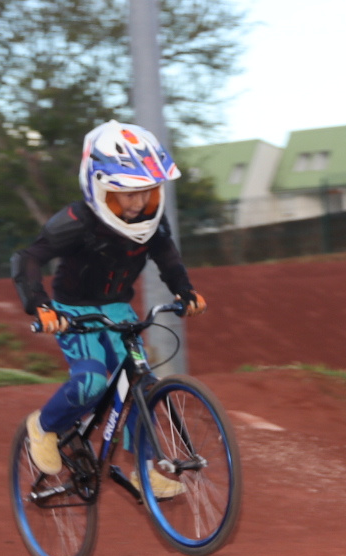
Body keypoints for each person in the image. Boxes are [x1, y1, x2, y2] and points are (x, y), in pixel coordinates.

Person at [11, 121, 206, 498]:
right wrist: (40, 305)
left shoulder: (152, 221)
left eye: (146, 192)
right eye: (124, 194)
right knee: (92, 382)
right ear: (98, 187)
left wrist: (184, 290)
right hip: (72, 309)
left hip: (118, 309)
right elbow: (28, 257)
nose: (136, 203)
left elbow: (166, 256)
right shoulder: (77, 221)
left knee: (141, 385)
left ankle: (145, 470)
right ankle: (44, 426)